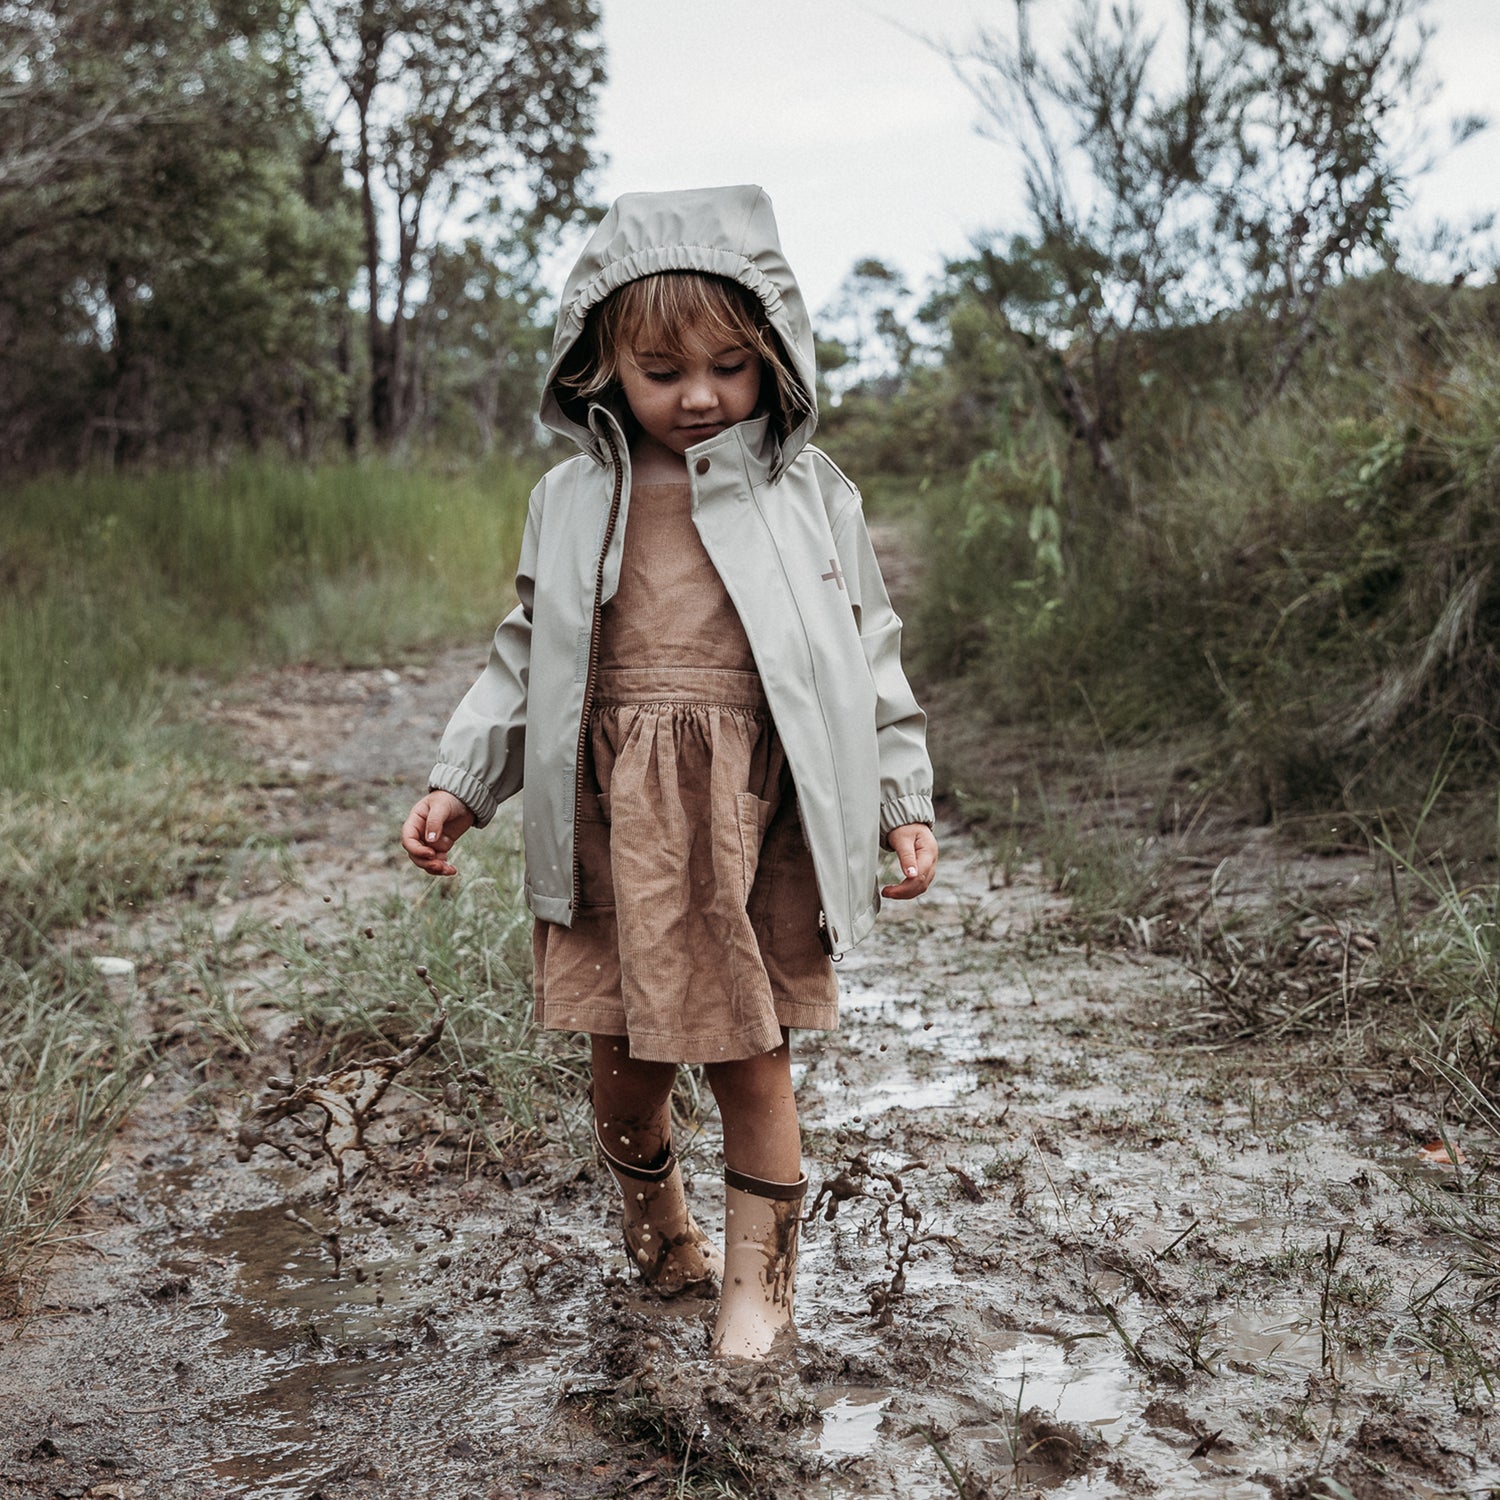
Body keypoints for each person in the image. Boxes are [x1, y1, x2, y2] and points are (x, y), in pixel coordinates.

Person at [400, 185, 937, 1360]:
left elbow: (869, 656)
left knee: (753, 1053)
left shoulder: (814, 496)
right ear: (601, 364)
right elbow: (523, 656)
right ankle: (659, 1222)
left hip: (757, 814)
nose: (700, 396)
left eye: (732, 367)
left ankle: (762, 1293)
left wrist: (899, 799)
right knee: (623, 1067)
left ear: (775, 359)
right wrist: (464, 780)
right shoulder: (569, 500)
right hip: (614, 821)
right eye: (662, 369)